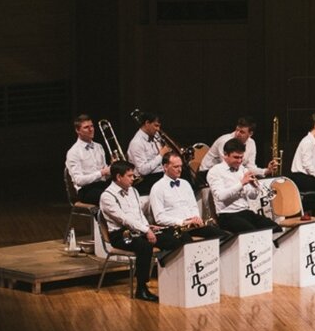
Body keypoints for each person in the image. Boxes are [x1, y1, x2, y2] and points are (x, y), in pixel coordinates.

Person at [99, 160, 179, 301]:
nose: (133, 178)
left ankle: (172, 278)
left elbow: (138, 214)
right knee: (145, 246)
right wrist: (145, 231)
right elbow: (123, 219)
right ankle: (141, 289)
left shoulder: (133, 191)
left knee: (173, 237)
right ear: (118, 177)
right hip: (121, 234)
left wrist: (148, 226)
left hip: (139, 230)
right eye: (129, 176)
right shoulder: (107, 196)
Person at [147, 151, 232, 244]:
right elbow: (159, 217)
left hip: (192, 225)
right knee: (190, 244)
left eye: (180, 166)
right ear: (165, 167)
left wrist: (196, 218)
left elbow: (193, 206)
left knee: (225, 236)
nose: (180, 170)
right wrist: (182, 222)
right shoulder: (157, 187)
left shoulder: (185, 183)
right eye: (176, 167)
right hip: (174, 228)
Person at [207, 138, 281, 236]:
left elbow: (252, 196)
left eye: (241, 157)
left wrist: (255, 187)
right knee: (252, 234)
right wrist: (241, 183)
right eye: (236, 157)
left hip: (246, 212)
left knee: (276, 229)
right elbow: (220, 196)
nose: (239, 161)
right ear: (225, 154)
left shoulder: (242, 169)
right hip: (227, 215)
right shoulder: (215, 171)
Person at [198, 117, 279, 182]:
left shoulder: (251, 143)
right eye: (237, 130)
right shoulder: (225, 141)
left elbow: (250, 167)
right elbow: (227, 166)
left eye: (242, 132)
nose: (237, 134)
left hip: (230, 172)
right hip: (207, 173)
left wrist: (266, 171)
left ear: (250, 134)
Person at [66, 114, 111, 205]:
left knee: (127, 191)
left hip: (101, 185)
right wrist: (101, 173)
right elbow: (79, 181)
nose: (91, 129)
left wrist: (112, 168)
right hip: (85, 190)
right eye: (86, 127)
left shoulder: (99, 147)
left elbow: (105, 175)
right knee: (109, 198)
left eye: (92, 126)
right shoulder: (73, 152)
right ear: (77, 130)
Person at [126, 111, 168, 195]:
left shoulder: (156, 136)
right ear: (147, 123)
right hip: (145, 180)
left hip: (158, 175)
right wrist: (161, 155)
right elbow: (143, 170)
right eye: (156, 125)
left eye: (159, 126)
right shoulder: (137, 143)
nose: (158, 129)